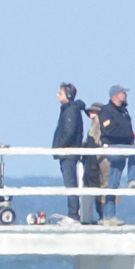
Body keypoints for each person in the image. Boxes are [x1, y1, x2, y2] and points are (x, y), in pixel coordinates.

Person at [99, 86, 135, 224]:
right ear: (115, 95)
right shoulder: (106, 110)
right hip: (111, 146)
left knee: (112, 184)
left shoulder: (124, 111)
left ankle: (109, 216)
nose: (125, 95)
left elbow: (126, 129)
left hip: (123, 146)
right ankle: (132, 179)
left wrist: (130, 137)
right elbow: (109, 131)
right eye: (123, 93)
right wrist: (130, 135)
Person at [51, 83, 87, 223]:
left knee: (70, 183)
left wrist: (59, 146)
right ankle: (73, 214)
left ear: (68, 95)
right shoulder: (68, 109)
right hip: (67, 152)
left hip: (69, 153)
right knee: (69, 183)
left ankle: (73, 215)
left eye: (60, 92)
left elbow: (69, 132)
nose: (57, 95)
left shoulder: (71, 110)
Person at [81, 103, 106, 225]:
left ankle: (103, 216)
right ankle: (102, 216)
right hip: (94, 160)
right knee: (99, 188)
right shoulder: (94, 124)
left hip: (98, 161)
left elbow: (96, 141)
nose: (90, 113)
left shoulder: (98, 124)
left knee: (100, 188)